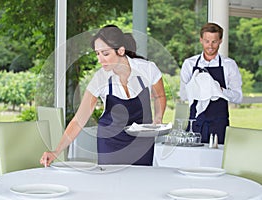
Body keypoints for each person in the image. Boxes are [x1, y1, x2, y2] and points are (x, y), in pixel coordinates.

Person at [40, 25, 167, 166]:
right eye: (97, 54)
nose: (100, 60)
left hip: (142, 143)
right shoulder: (100, 79)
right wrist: (56, 151)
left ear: (121, 50)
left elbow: (159, 96)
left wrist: (158, 117)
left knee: (140, 184)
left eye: (105, 54)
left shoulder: (147, 69)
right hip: (111, 144)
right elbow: (79, 120)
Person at [179, 22, 243, 144]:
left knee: (217, 161)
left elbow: (238, 97)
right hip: (195, 122)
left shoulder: (229, 65)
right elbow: (183, 95)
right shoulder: (189, 64)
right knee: (192, 160)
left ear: (220, 41)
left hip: (219, 123)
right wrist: (199, 88)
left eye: (214, 41)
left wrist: (218, 90)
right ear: (201, 40)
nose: (210, 46)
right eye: (207, 41)